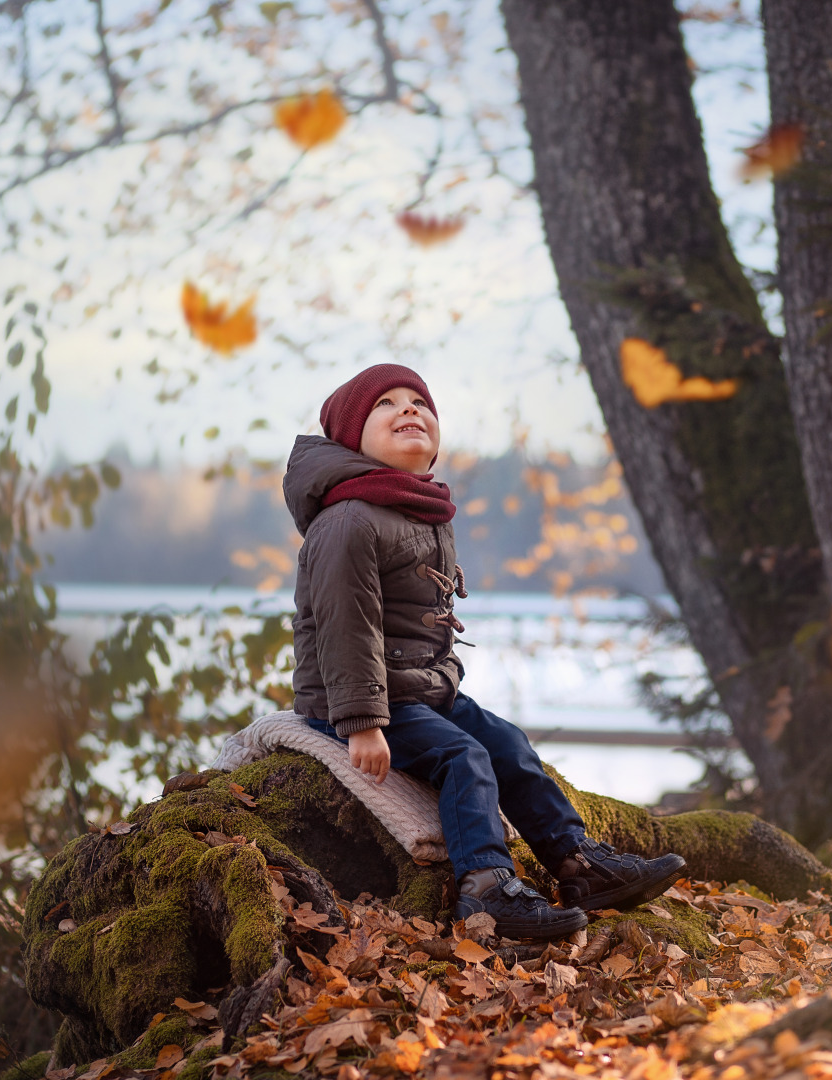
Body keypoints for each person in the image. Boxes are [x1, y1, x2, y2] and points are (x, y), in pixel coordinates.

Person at [284, 364, 685, 939]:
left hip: (418, 689)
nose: (409, 410)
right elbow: (343, 629)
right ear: (352, 437)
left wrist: (440, 682)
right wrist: (363, 724)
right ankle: (487, 890)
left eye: (420, 402)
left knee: (508, 745)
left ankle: (578, 863)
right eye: (386, 405)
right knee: (463, 758)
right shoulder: (348, 520)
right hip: (352, 700)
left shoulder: (417, 507)